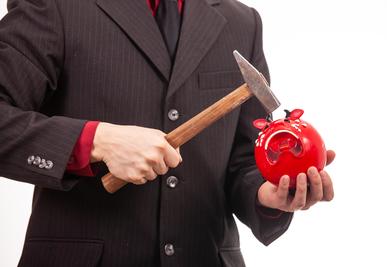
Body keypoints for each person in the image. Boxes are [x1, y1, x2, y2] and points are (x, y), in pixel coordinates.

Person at [0, 0, 335, 266]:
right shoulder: (55, 5)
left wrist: (267, 194)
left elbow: (244, 161)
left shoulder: (242, 22)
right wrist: (95, 141)